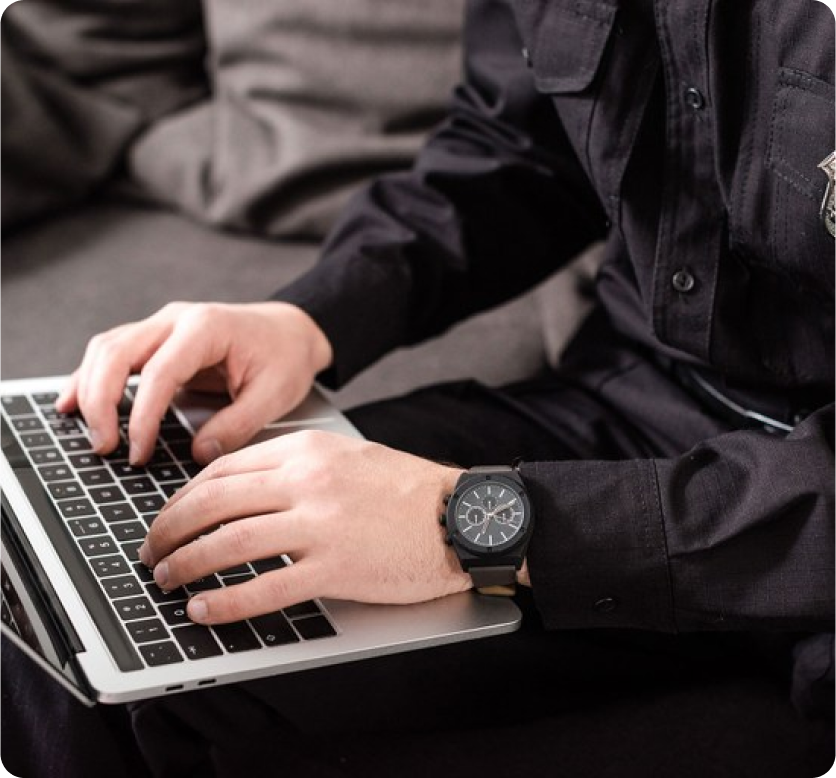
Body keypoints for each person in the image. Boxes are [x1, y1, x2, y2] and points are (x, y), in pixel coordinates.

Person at [3, 0, 836, 775]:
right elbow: (521, 144)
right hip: (620, 411)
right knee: (93, 640)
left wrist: (482, 526)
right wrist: (307, 320)